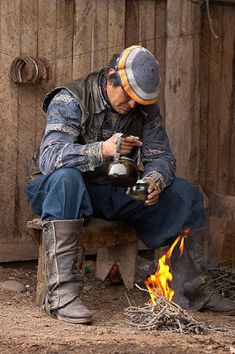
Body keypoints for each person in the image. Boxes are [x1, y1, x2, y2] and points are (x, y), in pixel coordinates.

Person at [25, 45, 234, 324]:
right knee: (67, 179)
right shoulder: (70, 99)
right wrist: (103, 149)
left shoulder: (144, 109)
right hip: (58, 191)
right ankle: (62, 296)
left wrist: (153, 180)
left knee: (185, 194)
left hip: (109, 190)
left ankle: (190, 291)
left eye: (140, 99)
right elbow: (51, 158)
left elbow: (162, 157)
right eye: (129, 95)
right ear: (111, 77)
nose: (134, 104)